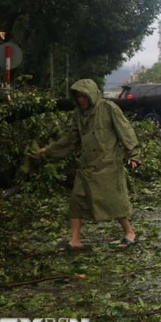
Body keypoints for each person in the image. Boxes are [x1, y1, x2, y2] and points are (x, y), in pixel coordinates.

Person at [36, 79, 141, 251]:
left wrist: (134, 155)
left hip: (107, 165)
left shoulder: (108, 108)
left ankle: (130, 232)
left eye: (84, 96)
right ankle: (75, 240)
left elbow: (126, 131)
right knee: (77, 201)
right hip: (86, 165)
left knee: (114, 201)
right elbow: (72, 139)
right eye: (78, 97)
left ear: (91, 95)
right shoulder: (78, 114)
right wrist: (49, 151)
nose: (81, 100)